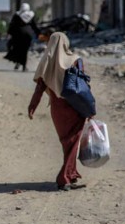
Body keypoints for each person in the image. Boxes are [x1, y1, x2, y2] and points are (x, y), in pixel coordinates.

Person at [27, 32, 88, 191]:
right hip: (74, 107)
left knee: (67, 142)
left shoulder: (46, 63)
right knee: (73, 141)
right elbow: (83, 85)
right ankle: (64, 178)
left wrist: (32, 106)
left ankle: (71, 174)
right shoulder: (75, 60)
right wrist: (89, 107)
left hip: (57, 109)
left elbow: (39, 87)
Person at [4, 3, 40, 71]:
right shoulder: (31, 15)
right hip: (28, 35)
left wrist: (9, 33)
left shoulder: (17, 15)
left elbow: (12, 25)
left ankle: (18, 63)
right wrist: (38, 33)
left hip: (18, 34)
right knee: (25, 50)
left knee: (18, 49)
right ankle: (23, 66)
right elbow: (34, 25)